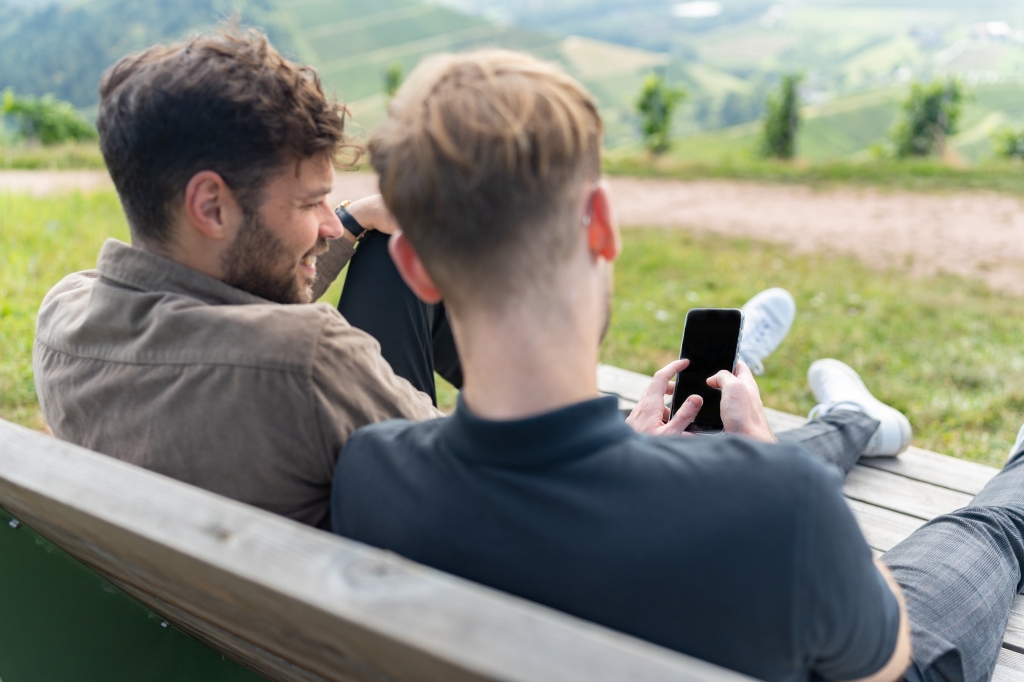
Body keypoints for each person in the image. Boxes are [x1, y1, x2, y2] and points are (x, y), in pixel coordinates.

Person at [332, 49, 1024, 682]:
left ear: (415, 268)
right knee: (984, 533)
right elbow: (884, 655)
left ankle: (849, 419)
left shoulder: (368, 473)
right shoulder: (782, 501)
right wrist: (762, 456)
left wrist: (633, 452)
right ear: (601, 224)